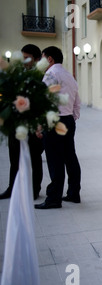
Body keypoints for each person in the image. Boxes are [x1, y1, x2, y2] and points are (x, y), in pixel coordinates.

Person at [34, 46, 82, 209]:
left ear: (49, 59)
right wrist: (71, 118)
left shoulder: (50, 74)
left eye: (42, 58)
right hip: (68, 120)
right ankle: (74, 193)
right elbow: (77, 102)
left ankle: (54, 199)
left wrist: (40, 125)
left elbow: (45, 101)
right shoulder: (70, 76)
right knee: (70, 157)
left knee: (55, 161)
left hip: (54, 121)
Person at [0, 44, 44, 201]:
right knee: (14, 159)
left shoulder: (41, 77)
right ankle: (12, 188)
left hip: (32, 125)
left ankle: (34, 190)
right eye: (23, 57)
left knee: (35, 159)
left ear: (37, 59)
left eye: (28, 58)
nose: (25, 61)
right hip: (16, 124)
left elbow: (42, 102)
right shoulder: (16, 75)